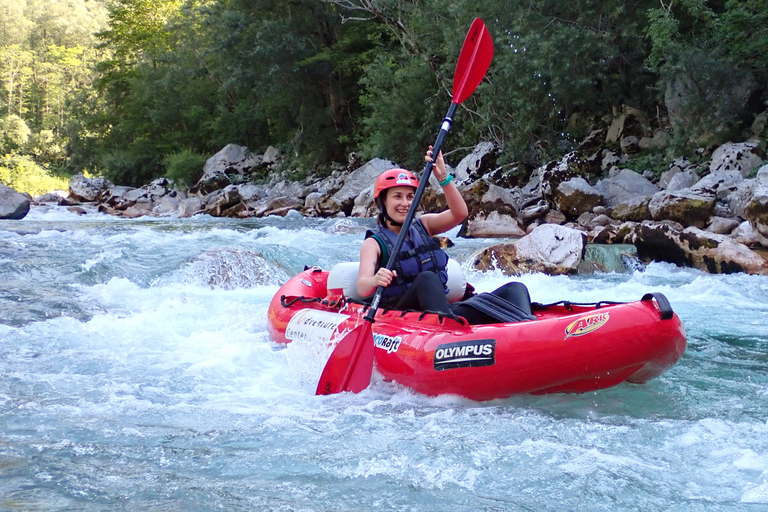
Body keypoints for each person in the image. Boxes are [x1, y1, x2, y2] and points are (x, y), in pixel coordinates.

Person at [356, 147, 535, 325]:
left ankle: (529, 332)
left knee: (515, 289)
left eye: (410, 197)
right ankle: (451, 326)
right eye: (397, 197)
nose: (405, 203)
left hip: (444, 311)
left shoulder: (424, 225)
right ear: (382, 202)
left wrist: (442, 177)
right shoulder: (374, 243)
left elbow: (459, 213)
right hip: (406, 314)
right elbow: (363, 287)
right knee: (426, 278)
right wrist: (374, 279)